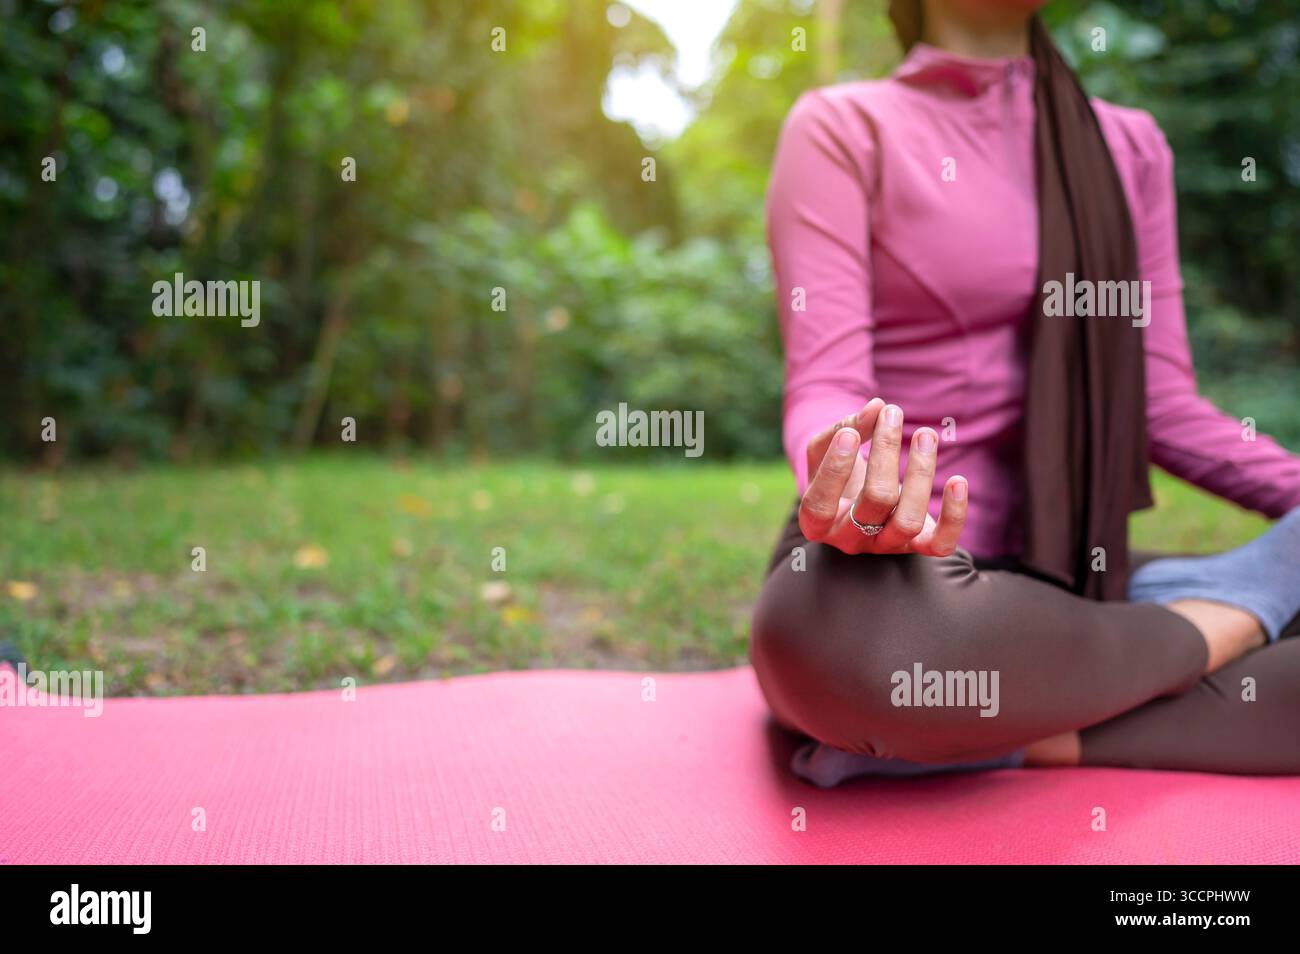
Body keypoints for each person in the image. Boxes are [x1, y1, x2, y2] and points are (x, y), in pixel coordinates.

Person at [749, 0, 1300, 785]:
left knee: (918, 681)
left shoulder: (1127, 144)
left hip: (1070, 579)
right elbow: (829, 380)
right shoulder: (843, 126)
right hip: (906, 583)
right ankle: (1232, 620)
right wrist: (848, 485)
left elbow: (1163, 407)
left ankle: (1009, 734)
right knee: (838, 647)